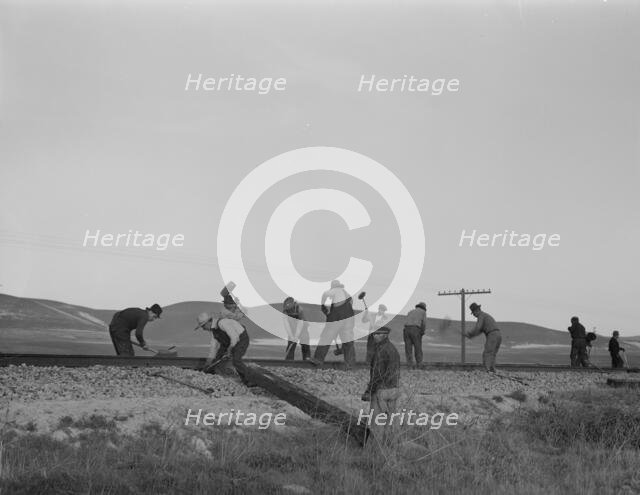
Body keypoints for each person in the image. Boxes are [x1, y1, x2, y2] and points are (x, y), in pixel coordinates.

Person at [361, 326, 401, 442]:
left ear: (385, 335)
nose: (374, 336)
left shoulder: (380, 351)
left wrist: (369, 391)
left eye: (377, 334)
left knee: (376, 424)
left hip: (381, 391)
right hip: (393, 390)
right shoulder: (393, 349)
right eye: (374, 334)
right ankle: (391, 446)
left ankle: (374, 451)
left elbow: (377, 374)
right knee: (390, 422)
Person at [194, 311, 253, 386]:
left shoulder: (222, 323)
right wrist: (209, 361)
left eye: (203, 326)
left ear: (208, 322)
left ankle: (249, 379)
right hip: (228, 343)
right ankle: (211, 372)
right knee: (217, 357)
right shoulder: (213, 331)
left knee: (236, 360)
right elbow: (213, 347)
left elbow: (235, 338)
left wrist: (229, 350)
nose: (203, 329)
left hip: (241, 339)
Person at [311, 280, 356, 368]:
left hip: (337, 319)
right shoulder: (347, 294)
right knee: (348, 342)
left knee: (326, 338)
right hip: (349, 320)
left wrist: (322, 304)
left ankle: (318, 359)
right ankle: (350, 364)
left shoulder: (336, 290)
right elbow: (349, 307)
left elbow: (325, 294)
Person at [465, 303, 502, 372]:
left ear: (476, 310)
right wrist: (471, 335)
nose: (473, 315)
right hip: (498, 335)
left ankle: (487, 370)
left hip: (492, 334)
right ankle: (492, 369)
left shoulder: (481, 316)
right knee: (492, 353)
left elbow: (478, 328)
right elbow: (479, 330)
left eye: (473, 313)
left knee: (487, 353)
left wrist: (470, 334)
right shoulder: (485, 316)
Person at [282, 296, 311, 361]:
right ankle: (289, 361)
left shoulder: (299, 309)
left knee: (305, 344)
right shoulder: (285, 311)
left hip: (303, 328)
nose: (289, 310)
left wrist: (296, 336)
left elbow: (300, 324)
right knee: (291, 344)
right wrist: (291, 336)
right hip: (292, 329)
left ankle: (307, 360)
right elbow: (286, 324)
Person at [403, 302, 427, 368]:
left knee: (408, 348)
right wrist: (422, 332)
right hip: (415, 329)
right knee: (418, 348)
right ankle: (419, 365)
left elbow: (406, 321)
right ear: (424, 308)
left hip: (406, 329)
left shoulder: (410, 311)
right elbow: (424, 323)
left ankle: (409, 365)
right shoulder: (423, 312)